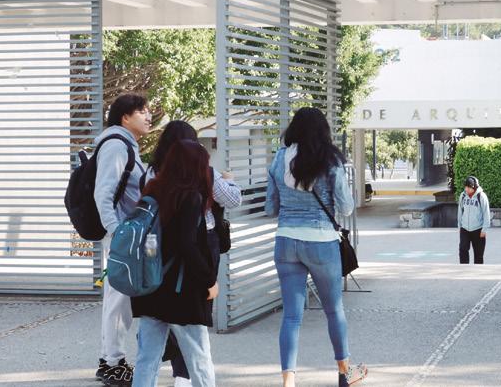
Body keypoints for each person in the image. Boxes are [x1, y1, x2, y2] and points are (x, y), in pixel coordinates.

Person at [266, 107, 368, 387]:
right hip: (321, 242)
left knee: (291, 316)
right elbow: (346, 207)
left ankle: (288, 381)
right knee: (334, 310)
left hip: (286, 240)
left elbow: (270, 207)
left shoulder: (279, 159)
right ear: (323, 131)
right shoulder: (330, 161)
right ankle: (345, 373)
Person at [148, 121, 243, 387]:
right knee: (193, 312)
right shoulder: (204, 172)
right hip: (199, 244)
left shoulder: (152, 172)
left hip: (158, 246)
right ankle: (184, 376)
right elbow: (233, 199)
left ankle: (178, 371)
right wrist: (230, 181)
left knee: (161, 311)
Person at [131, 140, 220, 387]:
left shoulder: (152, 191)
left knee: (147, 358)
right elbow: (187, 245)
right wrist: (209, 281)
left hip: (150, 286)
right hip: (181, 292)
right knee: (199, 358)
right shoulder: (190, 197)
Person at [94, 94, 152, 385]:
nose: (148, 115)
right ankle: (113, 363)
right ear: (125, 117)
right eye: (142, 111)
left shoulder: (126, 145)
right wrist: (116, 233)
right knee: (120, 301)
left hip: (125, 235)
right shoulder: (116, 145)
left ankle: (109, 359)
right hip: (122, 236)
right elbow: (103, 195)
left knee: (117, 299)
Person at [457, 176, 491, 264]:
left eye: (469, 188)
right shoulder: (463, 195)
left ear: (474, 187)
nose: (467, 189)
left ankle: (477, 270)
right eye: (466, 187)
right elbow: (460, 211)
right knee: (463, 250)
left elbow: (486, 213)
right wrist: (460, 226)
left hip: (478, 229)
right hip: (465, 228)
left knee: (478, 255)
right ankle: (464, 268)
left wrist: (484, 229)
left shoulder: (481, 196)